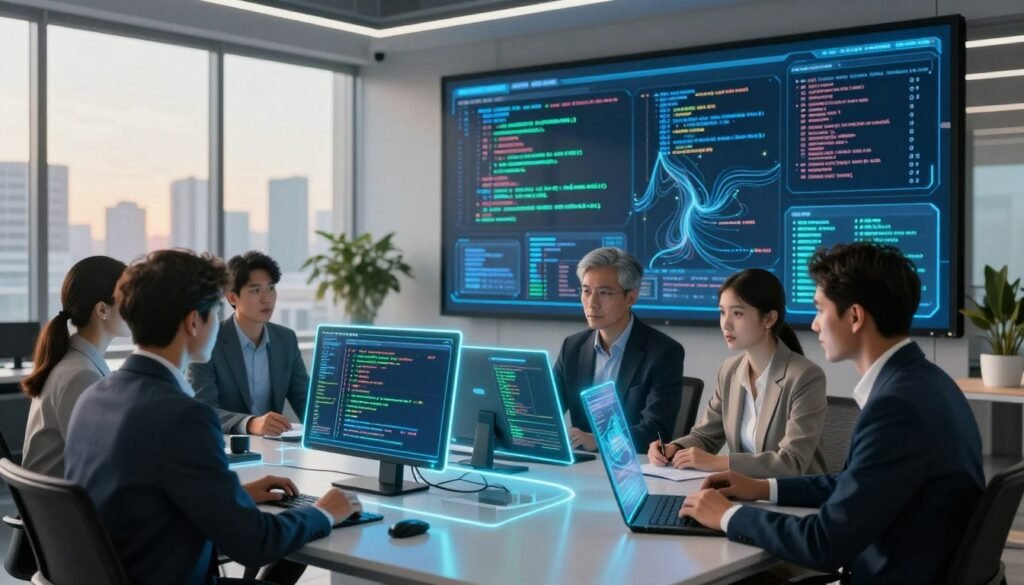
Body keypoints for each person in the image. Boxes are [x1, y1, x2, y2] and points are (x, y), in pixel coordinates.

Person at [680, 242, 984, 584]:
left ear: (854, 317)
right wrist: (762, 487)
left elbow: (825, 543)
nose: (813, 325)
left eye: (820, 309)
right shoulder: (927, 382)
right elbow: (851, 484)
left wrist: (729, 516)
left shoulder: (896, 408)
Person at [65, 250, 361, 585]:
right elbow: (254, 543)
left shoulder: (95, 396)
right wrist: (324, 511)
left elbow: (147, 497)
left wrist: (236, 494)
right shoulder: (184, 418)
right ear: (193, 322)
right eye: (215, 313)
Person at [648, 268, 827, 478]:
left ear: (768, 319)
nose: (726, 323)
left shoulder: (805, 376)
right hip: (745, 492)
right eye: (722, 312)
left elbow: (791, 463)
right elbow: (705, 437)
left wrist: (717, 462)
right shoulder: (729, 370)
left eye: (738, 313)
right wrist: (674, 448)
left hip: (793, 499)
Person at [553, 247, 684, 453]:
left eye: (604, 293)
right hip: (583, 466)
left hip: (634, 468)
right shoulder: (572, 347)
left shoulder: (664, 352)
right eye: (586, 291)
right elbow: (546, 411)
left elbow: (656, 431)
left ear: (631, 297)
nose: (592, 303)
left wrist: (599, 440)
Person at [21, 256, 128, 478]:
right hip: (66, 509)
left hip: (59, 504)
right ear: (102, 309)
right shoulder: (81, 375)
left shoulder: (75, 362)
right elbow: (101, 462)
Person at [189, 251, 308, 436]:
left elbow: (306, 403)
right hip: (227, 448)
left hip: (276, 448)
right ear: (232, 297)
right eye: (255, 290)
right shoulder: (208, 341)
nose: (266, 298)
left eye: (271, 288)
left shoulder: (286, 340)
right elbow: (202, 409)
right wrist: (249, 423)